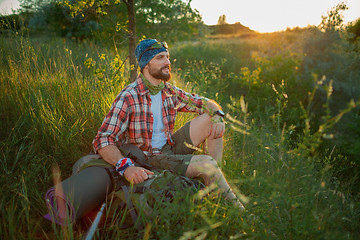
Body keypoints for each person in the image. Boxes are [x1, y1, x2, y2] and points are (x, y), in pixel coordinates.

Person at [92, 39, 244, 208]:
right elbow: (103, 139)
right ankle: (238, 211)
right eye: (160, 58)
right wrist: (126, 168)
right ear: (146, 64)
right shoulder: (129, 96)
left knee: (211, 119)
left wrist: (217, 114)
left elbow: (203, 102)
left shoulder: (168, 91)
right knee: (207, 164)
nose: (167, 62)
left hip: (168, 147)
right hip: (149, 158)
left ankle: (215, 186)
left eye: (168, 57)